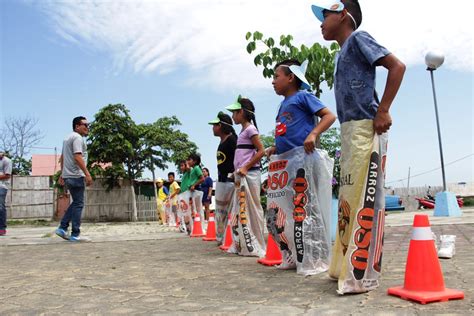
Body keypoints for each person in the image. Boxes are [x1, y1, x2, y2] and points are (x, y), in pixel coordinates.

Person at [311, 0, 405, 293]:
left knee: (367, 198)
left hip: (366, 126)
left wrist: (384, 110)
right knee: (349, 200)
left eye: (325, 15)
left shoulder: (359, 39)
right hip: (349, 130)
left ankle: (361, 271)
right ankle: (344, 266)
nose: (321, 22)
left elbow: (397, 66)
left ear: (342, 14)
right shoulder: (341, 53)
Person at [265, 59, 336, 273]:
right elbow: (287, 132)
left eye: (276, 76)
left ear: (290, 77)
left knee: (304, 210)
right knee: (280, 212)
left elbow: (329, 116)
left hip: (302, 162)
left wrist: (314, 134)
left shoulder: (303, 97)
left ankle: (314, 259)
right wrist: (274, 148)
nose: (273, 81)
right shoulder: (282, 104)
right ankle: (291, 255)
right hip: (286, 165)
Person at [226, 95, 266, 257]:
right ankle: (243, 243)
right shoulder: (243, 131)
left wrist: (245, 167)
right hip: (242, 176)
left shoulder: (250, 130)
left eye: (234, 112)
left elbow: (261, 151)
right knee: (242, 209)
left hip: (250, 175)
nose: (232, 116)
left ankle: (257, 244)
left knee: (253, 209)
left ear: (241, 112)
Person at [56, 116, 93, 242]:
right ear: (77, 126)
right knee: (78, 204)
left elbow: (62, 157)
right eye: (85, 125)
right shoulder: (77, 138)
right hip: (76, 176)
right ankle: (75, 234)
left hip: (68, 176)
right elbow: (77, 157)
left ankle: (62, 228)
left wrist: (62, 174)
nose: (87, 127)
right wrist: (87, 174)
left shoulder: (67, 138)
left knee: (76, 202)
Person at [208, 111, 237, 245]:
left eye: (214, 125)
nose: (212, 128)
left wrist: (233, 176)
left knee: (231, 211)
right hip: (222, 181)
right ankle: (223, 237)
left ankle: (232, 238)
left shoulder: (232, 140)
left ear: (220, 126)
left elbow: (238, 160)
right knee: (221, 211)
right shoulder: (222, 142)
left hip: (231, 182)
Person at [0, 152, 12, 236]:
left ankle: (2, 228)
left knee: (0, 206)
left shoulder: (7, 161)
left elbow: (7, 175)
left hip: (2, 186)